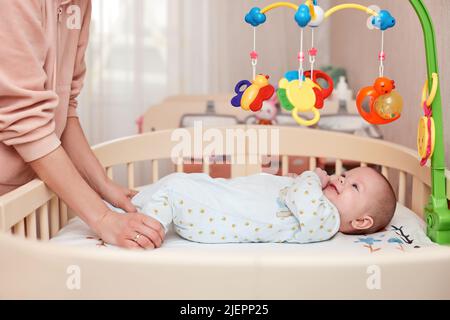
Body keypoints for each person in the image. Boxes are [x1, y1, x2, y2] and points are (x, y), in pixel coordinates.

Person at [0, 1, 163, 249]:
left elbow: (64, 110)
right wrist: (103, 217)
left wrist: (104, 185)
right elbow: (25, 121)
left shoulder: (79, 5)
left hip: (24, 196)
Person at [112, 167, 397, 248]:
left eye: (355, 187)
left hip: (219, 216)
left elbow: (302, 202)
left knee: (174, 190)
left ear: (360, 222)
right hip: (226, 196)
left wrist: (313, 175)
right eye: (346, 176)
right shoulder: (317, 197)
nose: (342, 180)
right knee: (183, 180)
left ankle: (144, 232)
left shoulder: (328, 220)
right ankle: (132, 204)